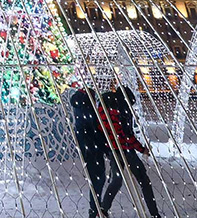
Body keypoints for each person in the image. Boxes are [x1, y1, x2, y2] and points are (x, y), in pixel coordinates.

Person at [98, 86, 161, 218]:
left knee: (116, 180)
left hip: (113, 150)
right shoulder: (121, 109)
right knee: (143, 180)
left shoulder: (106, 108)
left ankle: (103, 210)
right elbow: (126, 135)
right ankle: (154, 214)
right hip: (125, 150)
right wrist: (141, 149)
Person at [69, 84, 110, 217]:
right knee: (98, 178)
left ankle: (96, 209)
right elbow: (95, 128)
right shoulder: (86, 107)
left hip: (90, 146)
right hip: (91, 146)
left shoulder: (81, 106)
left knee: (98, 178)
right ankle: (95, 210)